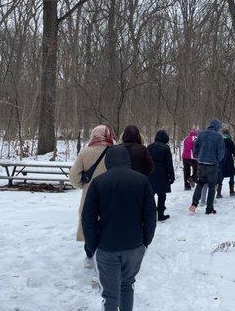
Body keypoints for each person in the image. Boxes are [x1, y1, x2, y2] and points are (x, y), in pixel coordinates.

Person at [82, 145, 157, 311]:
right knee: (127, 286)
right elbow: (151, 215)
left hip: (107, 247)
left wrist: (92, 245)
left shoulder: (98, 182)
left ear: (108, 161)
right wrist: (146, 240)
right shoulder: (141, 180)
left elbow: (88, 218)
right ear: (127, 160)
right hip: (134, 245)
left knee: (109, 294)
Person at [69, 124, 116, 268]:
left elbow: (73, 178)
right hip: (111, 196)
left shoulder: (85, 153)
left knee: (89, 223)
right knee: (107, 224)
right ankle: (106, 253)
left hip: (89, 195)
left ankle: (89, 255)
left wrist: (82, 184)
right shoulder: (114, 152)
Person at [188, 119, 225, 215]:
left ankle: (194, 204)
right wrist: (217, 160)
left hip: (201, 163)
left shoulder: (201, 134)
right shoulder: (219, 137)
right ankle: (209, 208)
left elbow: (195, 147)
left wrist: (198, 156)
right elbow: (221, 153)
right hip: (212, 165)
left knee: (200, 184)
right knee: (212, 186)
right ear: (217, 127)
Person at [147, 130, 175, 221]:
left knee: (151, 194)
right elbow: (169, 164)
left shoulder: (149, 147)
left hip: (151, 173)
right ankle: (160, 214)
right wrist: (172, 176)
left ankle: (151, 213)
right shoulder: (166, 148)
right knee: (162, 195)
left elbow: (146, 161)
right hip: (162, 174)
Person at [219, 125, 235, 197]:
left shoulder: (219, 139)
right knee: (232, 174)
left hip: (220, 159)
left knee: (221, 175)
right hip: (229, 159)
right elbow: (234, 150)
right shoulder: (229, 140)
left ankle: (218, 193)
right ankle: (231, 191)